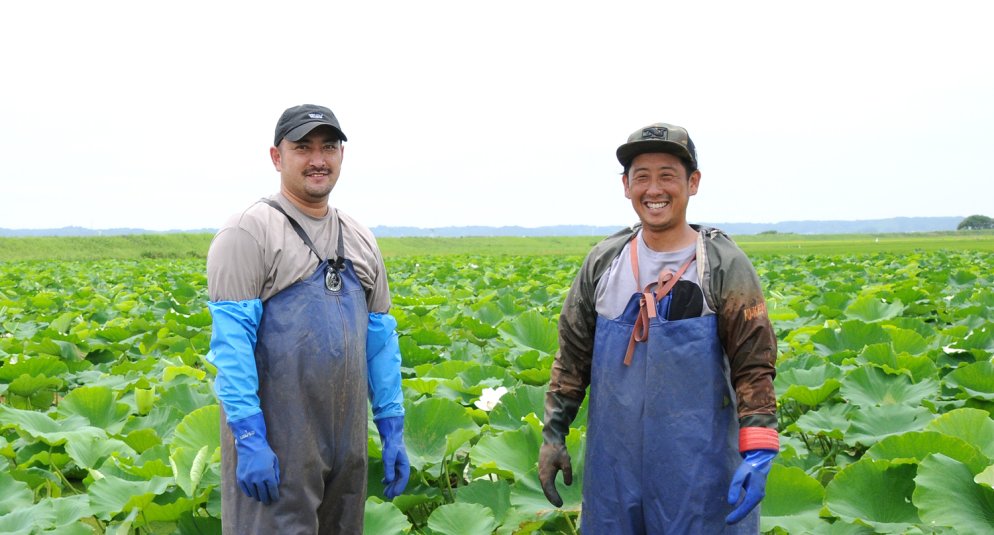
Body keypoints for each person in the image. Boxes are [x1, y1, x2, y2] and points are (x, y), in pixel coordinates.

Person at [538, 123, 779, 533]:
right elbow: (572, 358)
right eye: (642, 177)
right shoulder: (604, 262)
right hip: (614, 470)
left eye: (667, 175)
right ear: (626, 186)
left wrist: (758, 450)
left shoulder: (721, 264)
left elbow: (753, 365)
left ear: (693, 182)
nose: (654, 189)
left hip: (699, 471)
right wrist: (554, 434)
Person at [205, 104, 409, 534]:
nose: (318, 159)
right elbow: (232, 345)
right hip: (276, 449)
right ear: (277, 157)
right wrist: (249, 437)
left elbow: (380, 340)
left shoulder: (360, 238)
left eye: (329, 147)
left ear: (341, 155)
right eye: (303, 148)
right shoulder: (248, 232)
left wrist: (391, 426)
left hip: (347, 448)